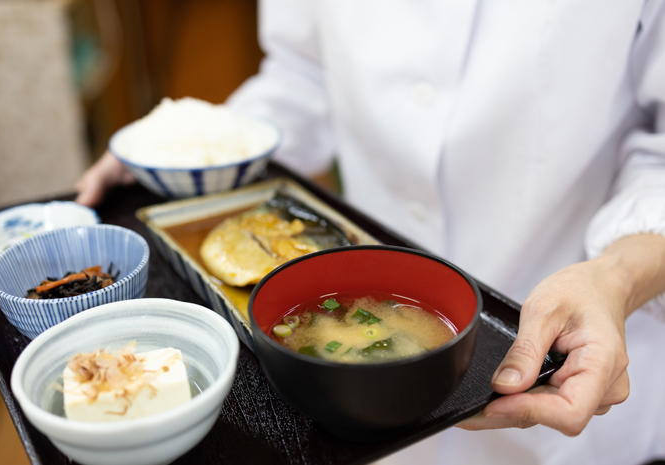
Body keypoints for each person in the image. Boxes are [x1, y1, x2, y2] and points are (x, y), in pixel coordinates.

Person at [76, 2, 665, 464]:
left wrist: (615, 278)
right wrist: (184, 146)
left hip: (570, 357)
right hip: (354, 406)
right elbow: (304, 73)